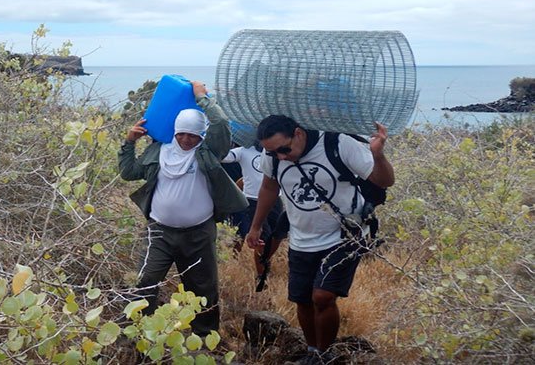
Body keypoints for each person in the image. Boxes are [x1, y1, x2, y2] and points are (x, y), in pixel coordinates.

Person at [246, 115, 394, 363]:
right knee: (301, 299)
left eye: (284, 149)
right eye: (273, 152)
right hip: (302, 237)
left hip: (346, 235)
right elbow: (269, 188)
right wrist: (256, 227)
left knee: (322, 296)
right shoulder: (272, 156)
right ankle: (313, 352)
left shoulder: (338, 144)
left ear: (299, 133)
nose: (281, 157)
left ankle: (324, 354)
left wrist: (377, 155)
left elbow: (385, 181)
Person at [118, 81, 248, 336]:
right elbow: (128, 172)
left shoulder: (208, 152)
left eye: (193, 135)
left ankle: (205, 338)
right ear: (175, 132)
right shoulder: (159, 151)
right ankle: (137, 333)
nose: (187, 139)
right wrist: (129, 143)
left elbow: (221, 125)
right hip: (159, 233)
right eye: (182, 134)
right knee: (144, 281)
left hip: (198, 233)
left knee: (203, 288)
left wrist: (202, 99)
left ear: (201, 135)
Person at [221, 142, 288, 284]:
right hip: (252, 201)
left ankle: (265, 267)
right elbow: (223, 157)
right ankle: (261, 277)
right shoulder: (243, 151)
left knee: (276, 236)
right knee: (261, 238)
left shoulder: (277, 150)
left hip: (275, 199)